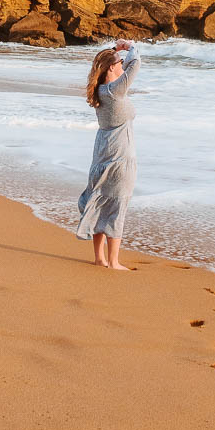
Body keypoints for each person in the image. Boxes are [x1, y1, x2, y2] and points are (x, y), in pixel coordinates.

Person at [76, 37, 140, 270]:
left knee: (101, 201)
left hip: (102, 154)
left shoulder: (101, 91)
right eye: (119, 61)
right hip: (120, 158)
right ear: (112, 68)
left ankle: (99, 258)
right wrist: (131, 47)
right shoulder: (114, 91)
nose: (123, 62)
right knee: (117, 205)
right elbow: (135, 66)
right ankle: (113, 261)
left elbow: (101, 63)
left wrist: (115, 50)